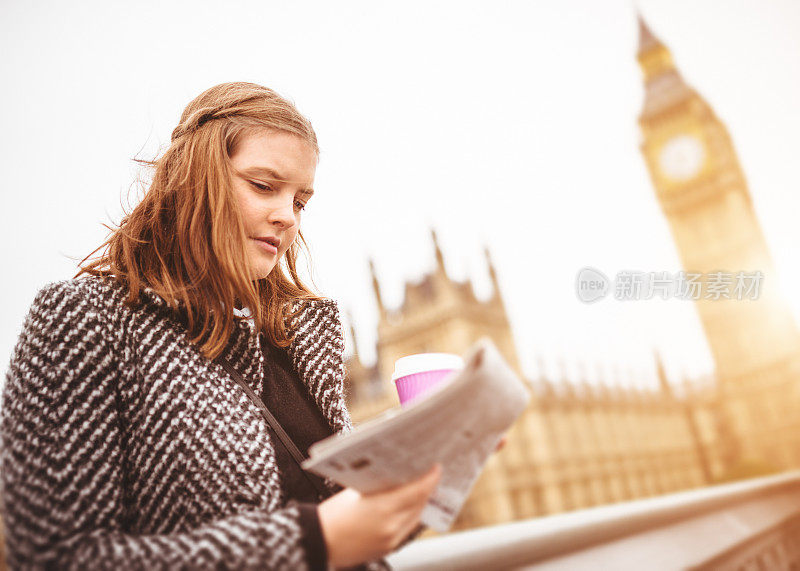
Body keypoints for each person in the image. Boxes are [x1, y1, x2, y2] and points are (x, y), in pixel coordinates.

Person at [0, 82, 442, 570]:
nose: (286, 217)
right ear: (194, 176)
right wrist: (311, 542)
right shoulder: (87, 320)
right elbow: (52, 557)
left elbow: (347, 522)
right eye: (263, 186)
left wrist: (429, 466)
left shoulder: (293, 341)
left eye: (300, 201)